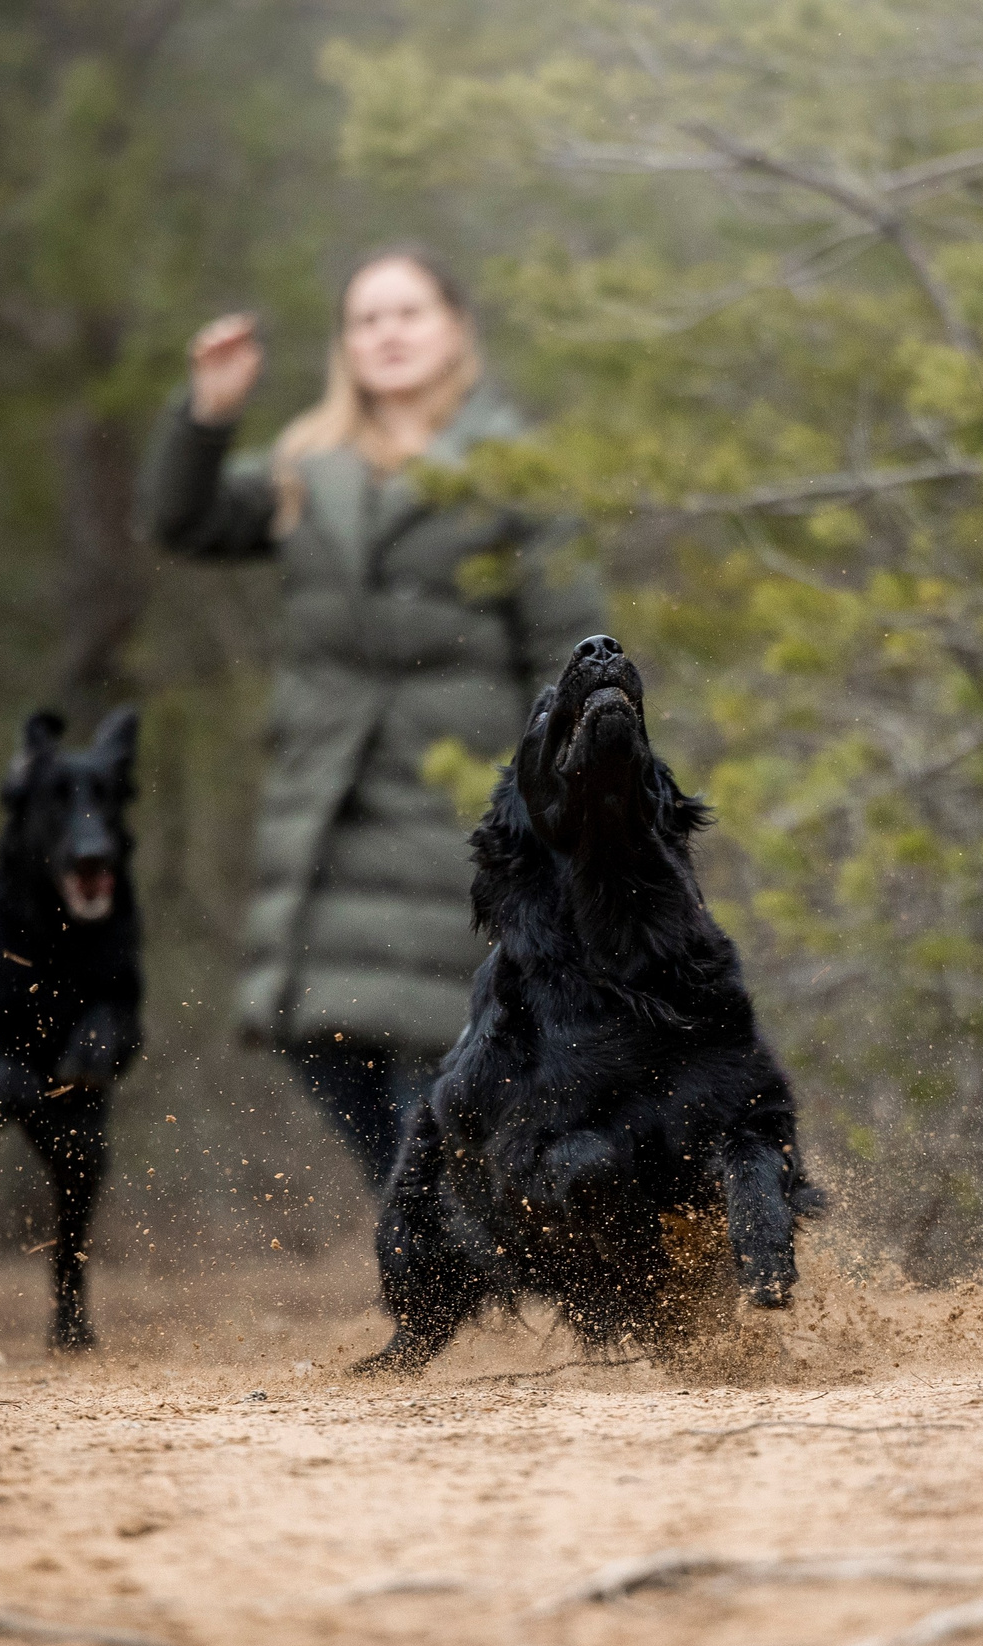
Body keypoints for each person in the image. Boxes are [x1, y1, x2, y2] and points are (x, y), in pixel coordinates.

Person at [139, 247, 603, 1189]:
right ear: (344, 343)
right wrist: (208, 414)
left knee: (450, 1063)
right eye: (366, 318)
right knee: (319, 1040)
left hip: (458, 812)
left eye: (408, 312)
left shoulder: (514, 467)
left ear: (456, 328)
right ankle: (446, 1232)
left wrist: (567, 814)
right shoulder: (307, 465)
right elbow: (181, 522)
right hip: (325, 813)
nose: (387, 333)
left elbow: (571, 653)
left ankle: (469, 1237)